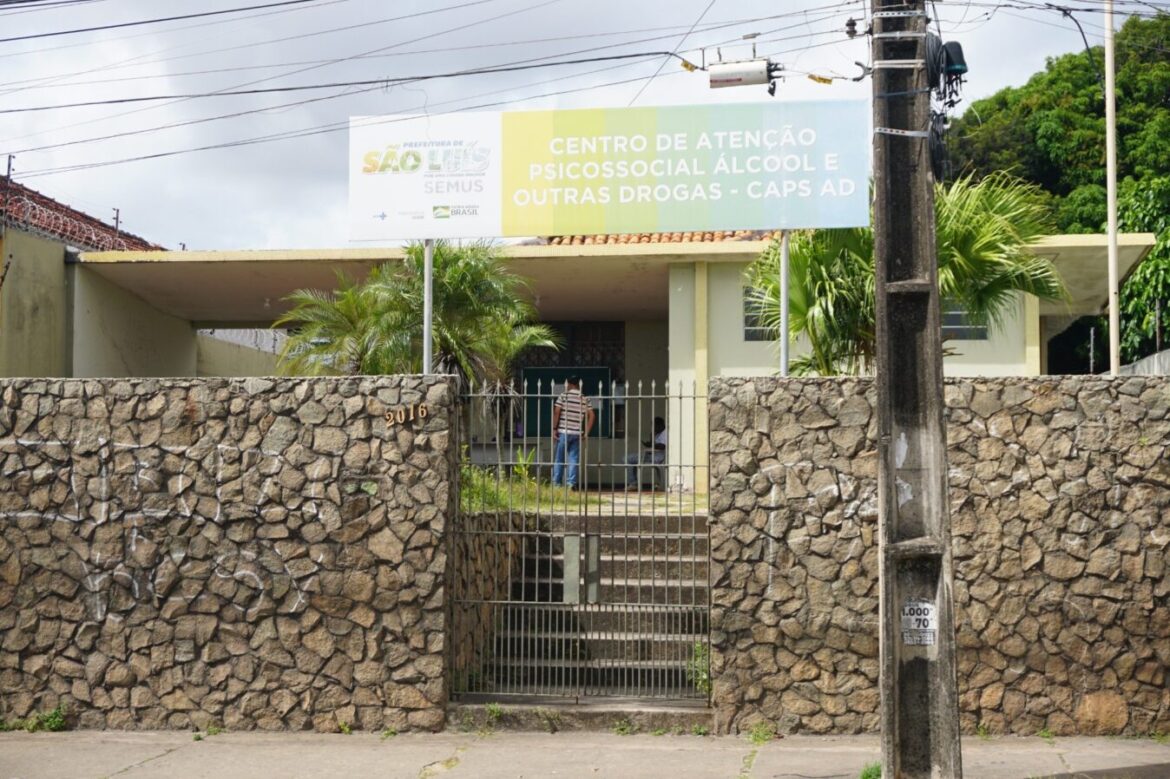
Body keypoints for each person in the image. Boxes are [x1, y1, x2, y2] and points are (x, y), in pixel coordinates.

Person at [551, 376, 595, 489]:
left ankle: (556, 483)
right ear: (579, 385)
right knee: (574, 459)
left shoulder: (564, 396)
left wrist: (554, 429)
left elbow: (556, 412)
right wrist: (586, 433)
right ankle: (571, 483)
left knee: (559, 458)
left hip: (563, 431)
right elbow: (592, 415)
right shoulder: (584, 398)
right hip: (576, 433)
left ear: (569, 384)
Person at [626, 416, 666, 489]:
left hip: (657, 457)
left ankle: (633, 483)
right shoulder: (658, 433)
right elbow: (653, 445)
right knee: (628, 459)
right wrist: (651, 437)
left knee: (627, 459)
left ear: (660, 425)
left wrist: (651, 444)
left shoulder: (665, 433)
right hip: (651, 455)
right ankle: (634, 483)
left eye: (654, 425)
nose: (653, 427)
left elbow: (663, 446)